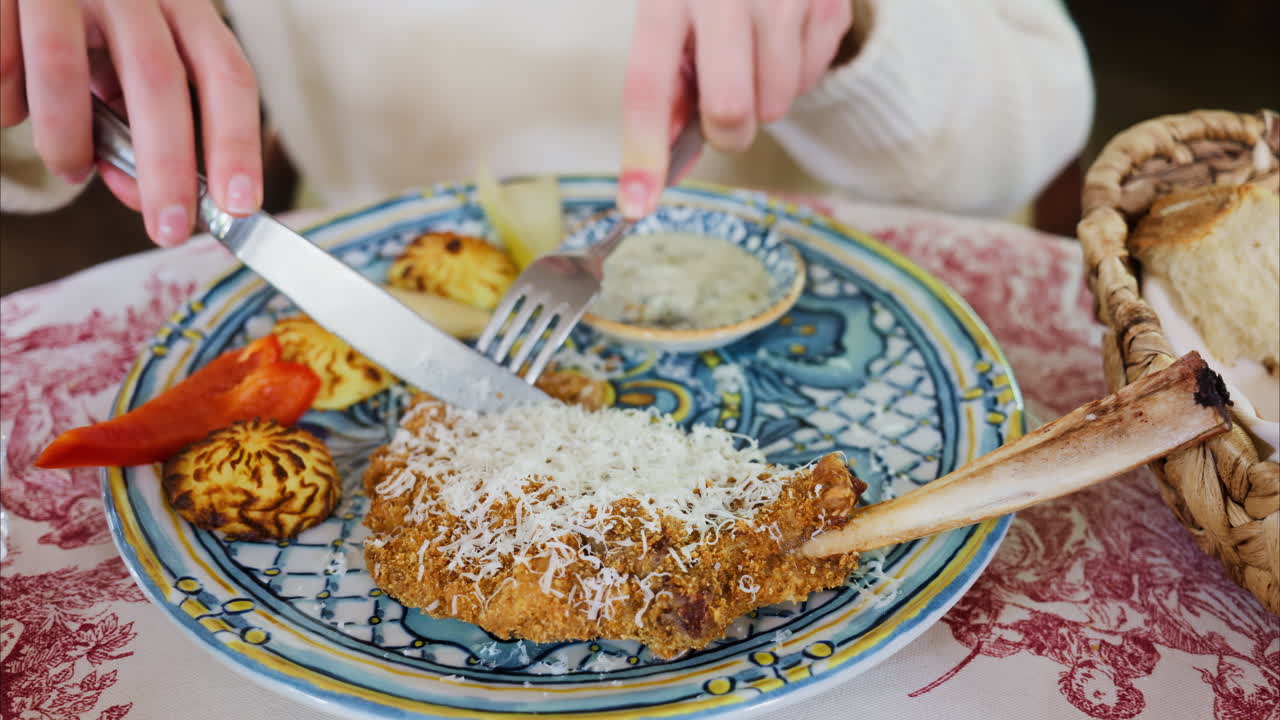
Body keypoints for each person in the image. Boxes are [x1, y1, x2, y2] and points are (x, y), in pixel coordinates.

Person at [0, 0, 1093, 247]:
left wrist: (852, 28)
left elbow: (1030, 117)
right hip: (381, 306)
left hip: (829, 318)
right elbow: (29, 167)